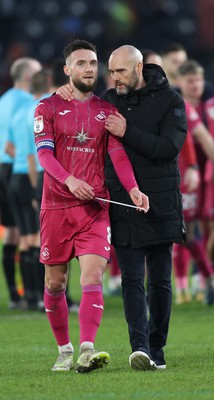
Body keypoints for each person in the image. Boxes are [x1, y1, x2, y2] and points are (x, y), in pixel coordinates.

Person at [57, 44, 187, 371]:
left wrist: (127, 131)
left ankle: (157, 348)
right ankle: (139, 348)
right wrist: (64, 92)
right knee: (131, 278)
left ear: (139, 68)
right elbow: (80, 105)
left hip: (159, 202)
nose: (114, 78)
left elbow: (168, 148)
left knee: (160, 280)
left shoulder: (171, 101)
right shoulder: (110, 101)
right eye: (111, 71)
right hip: (121, 201)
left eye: (121, 71)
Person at [34, 39, 149, 373]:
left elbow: (117, 154)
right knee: (55, 283)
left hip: (94, 208)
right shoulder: (47, 107)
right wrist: (70, 181)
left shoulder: (106, 110)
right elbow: (44, 154)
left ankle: (86, 348)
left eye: (93, 63)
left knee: (93, 274)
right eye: (81, 63)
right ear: (67, 69)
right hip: (56, 207)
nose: (89, 69)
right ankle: (64, 350)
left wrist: (132, 189)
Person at [0, 57, 42, 309]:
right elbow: (20, 146)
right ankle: (34, 294)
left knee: (13, 232)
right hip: (22, 168)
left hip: (3, 169)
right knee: (31, 233)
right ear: (29, 77)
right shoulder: (29, 104)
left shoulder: (3, 101)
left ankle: (16, 296)